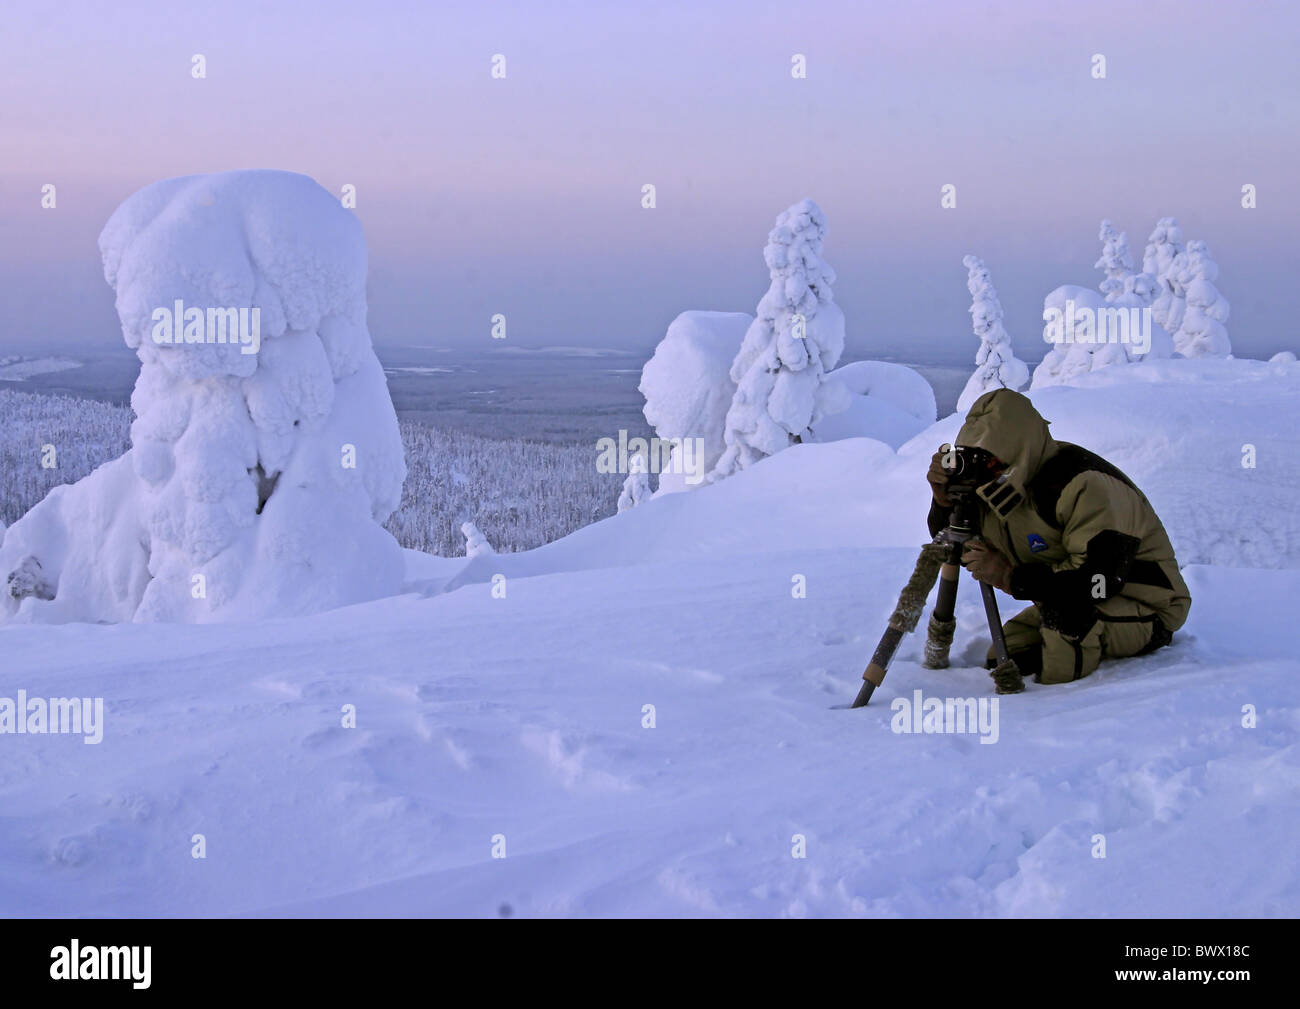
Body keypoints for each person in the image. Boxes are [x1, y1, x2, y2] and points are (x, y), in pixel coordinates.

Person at [926, 389, 1191, 686]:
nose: (984, 466)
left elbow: (1098, 581)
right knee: (1006, 652)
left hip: (1145, 603)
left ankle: (1055, 712)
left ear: (1018, 449)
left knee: (1066, 626)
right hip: (1064, 595)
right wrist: (944, 502)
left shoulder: (1081, 485)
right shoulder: (996, 483)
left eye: (989, 457)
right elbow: (953, 547)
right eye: (975, 456)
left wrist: (1010, 577)